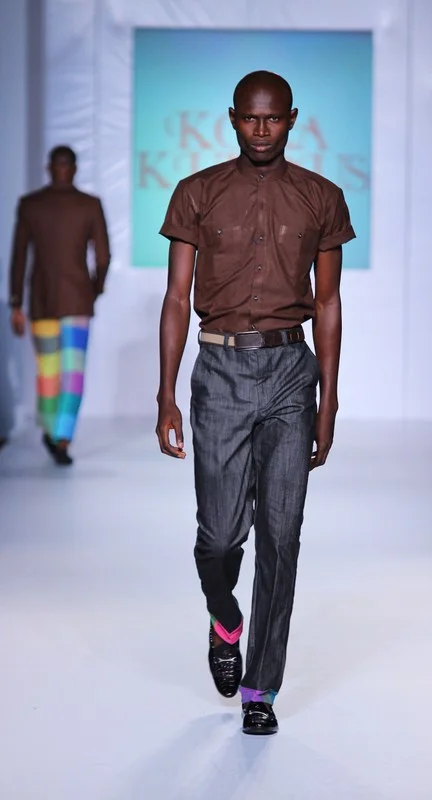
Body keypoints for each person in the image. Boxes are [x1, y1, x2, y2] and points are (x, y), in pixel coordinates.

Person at [156, 71, 355, 734]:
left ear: (292, 119)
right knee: (219, 537)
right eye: (250, 118)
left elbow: (328, 303)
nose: (261, 130)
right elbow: (174, 298)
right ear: (233, 118)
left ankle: (260, 690)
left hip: (292, 374)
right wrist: (165, 394)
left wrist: (328, 400)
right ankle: (225, 621)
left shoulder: (322, 197)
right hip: (219, 371)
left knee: (281, 536)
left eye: (273, 119)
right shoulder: (197, 192)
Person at [9, 145, 110, 465]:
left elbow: (19, 256)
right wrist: (94, 289)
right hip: (77, 299)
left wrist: (16, 302)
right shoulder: (89, 205)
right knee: (73, 373)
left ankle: (52, 430)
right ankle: (63, 437)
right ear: (74, 168)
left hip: (42, 300)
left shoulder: (31, 205)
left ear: (48, 167)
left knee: (48, 371)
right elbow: (103, 257)